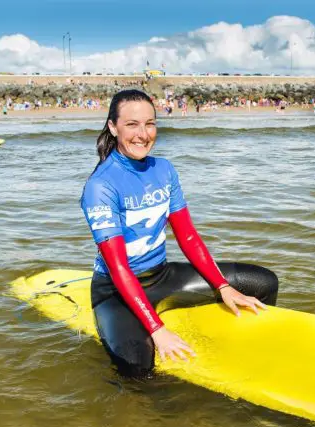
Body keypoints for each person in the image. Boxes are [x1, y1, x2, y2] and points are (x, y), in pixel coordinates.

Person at [80, 89, 279, 378]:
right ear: (113, 127)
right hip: (116, 292)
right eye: (132, 124)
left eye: (150, 123)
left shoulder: (164, 170)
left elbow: (187, 237)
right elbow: (119, 267)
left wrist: (223, 287)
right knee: (138, 366)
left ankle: (253, 352)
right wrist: (157, 331)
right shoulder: (101, 186)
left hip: (161, 277)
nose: (143, 134)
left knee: (262, 283)